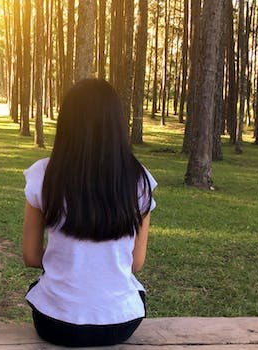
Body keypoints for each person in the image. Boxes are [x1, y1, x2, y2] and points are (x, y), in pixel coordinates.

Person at [22, 79, 157, 347]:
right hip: (120, 323)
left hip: (55, 323)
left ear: (66, 125)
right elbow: (136, 263)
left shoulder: (42, 174)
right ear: (117, 125)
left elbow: (31, 256)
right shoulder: (140, 180)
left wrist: (67, 263)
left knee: (38, 291)